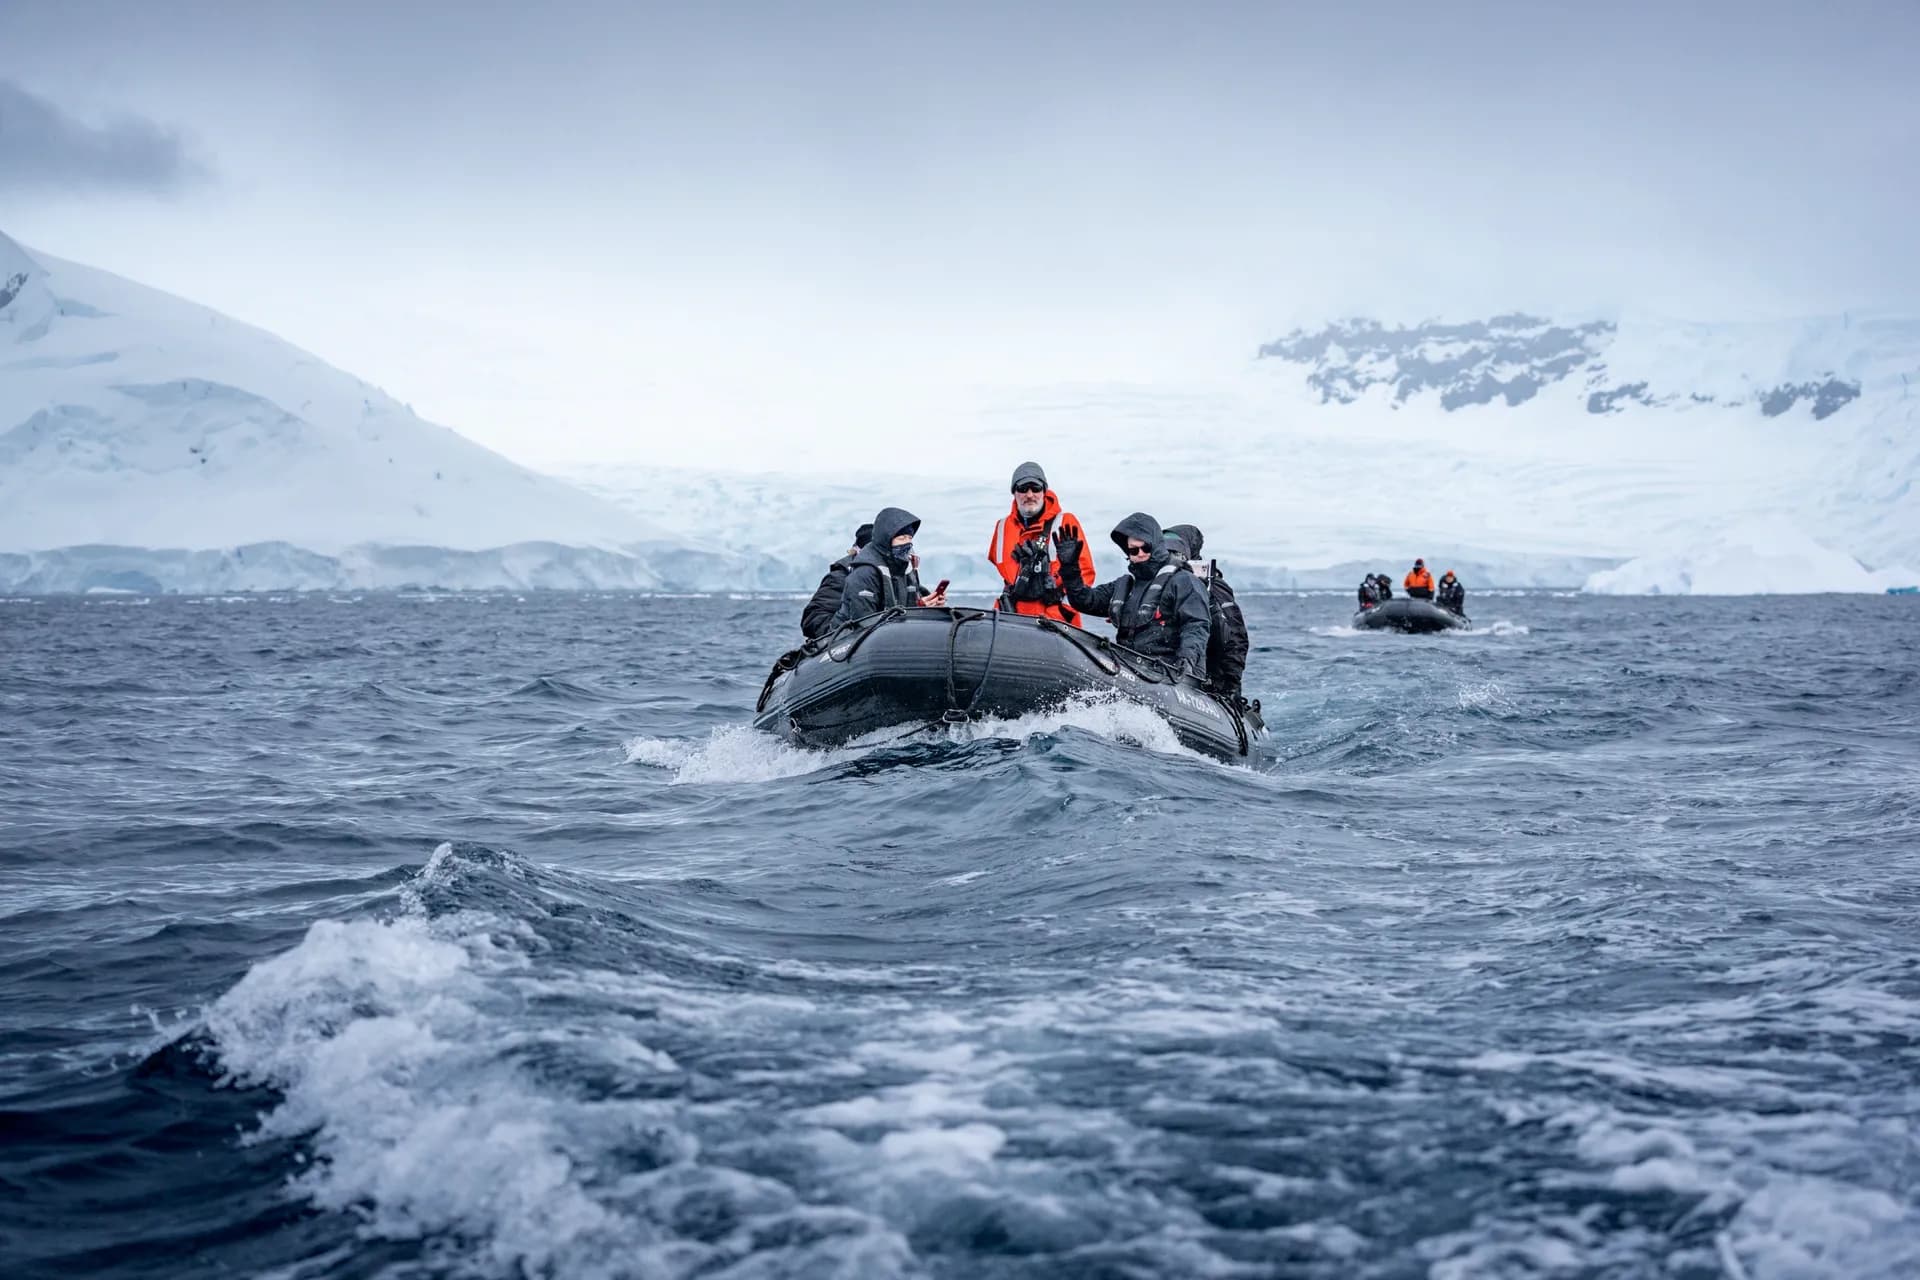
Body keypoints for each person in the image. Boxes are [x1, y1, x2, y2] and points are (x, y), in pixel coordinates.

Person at [1055, 513, 1210, 678]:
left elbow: (1196, 625)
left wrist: (1187, 660)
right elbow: (1084, 601)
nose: (1140, 553)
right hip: (1129, 669)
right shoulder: (1125, 586)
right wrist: (1070, 567)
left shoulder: (1183, 581)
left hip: (1168, 671)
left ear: (1157, 545)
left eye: (1146, 548)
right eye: (1134, 550)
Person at [988, 461, 1095, 625]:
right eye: (1023, 489)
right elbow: (1005, 574)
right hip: (1011, 619)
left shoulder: (1065, 522)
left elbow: (1085, 574)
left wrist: (1059, 610)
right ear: (1014, 493)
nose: (1029, 495)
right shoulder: (1002, 527)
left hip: (1054, 622)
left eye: (1035, 488)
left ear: (1044, 491)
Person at [1166, 524, 1250, 702]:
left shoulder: (1214, 587)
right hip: (1165, 672)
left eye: (1175, 552)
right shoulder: (1157, 586)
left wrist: (1230, 686)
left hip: (1207, 681)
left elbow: (1235, 637)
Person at [831, 507, 946, 626]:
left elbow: (907, 612)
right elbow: (864, 622)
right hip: (851, 639)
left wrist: (923, 607)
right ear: (886, 539)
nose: (907, 543)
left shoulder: (905, 569)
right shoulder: (865, 572)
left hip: (891, 634)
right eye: (901, 538)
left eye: (910, 538)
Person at [801, 522, 873, 639]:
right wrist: (849, 634)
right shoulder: (840, 578)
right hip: (851, 647)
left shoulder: (898, 578)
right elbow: (813, 620)